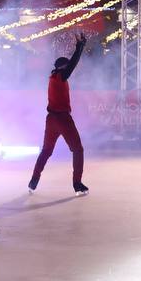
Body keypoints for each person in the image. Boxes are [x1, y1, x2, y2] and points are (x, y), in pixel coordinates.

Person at [29, 32, 89, 194]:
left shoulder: (53, 77)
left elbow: (71, 66)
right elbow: (73, 64)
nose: (70, 68)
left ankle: (34, 180)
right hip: (62, 119)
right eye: (67, 66)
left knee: (46, 151)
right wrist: (80, 46)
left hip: (51, 120)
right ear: (63, 67)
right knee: (78, 150)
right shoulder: (60, 76)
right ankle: (77, 183)